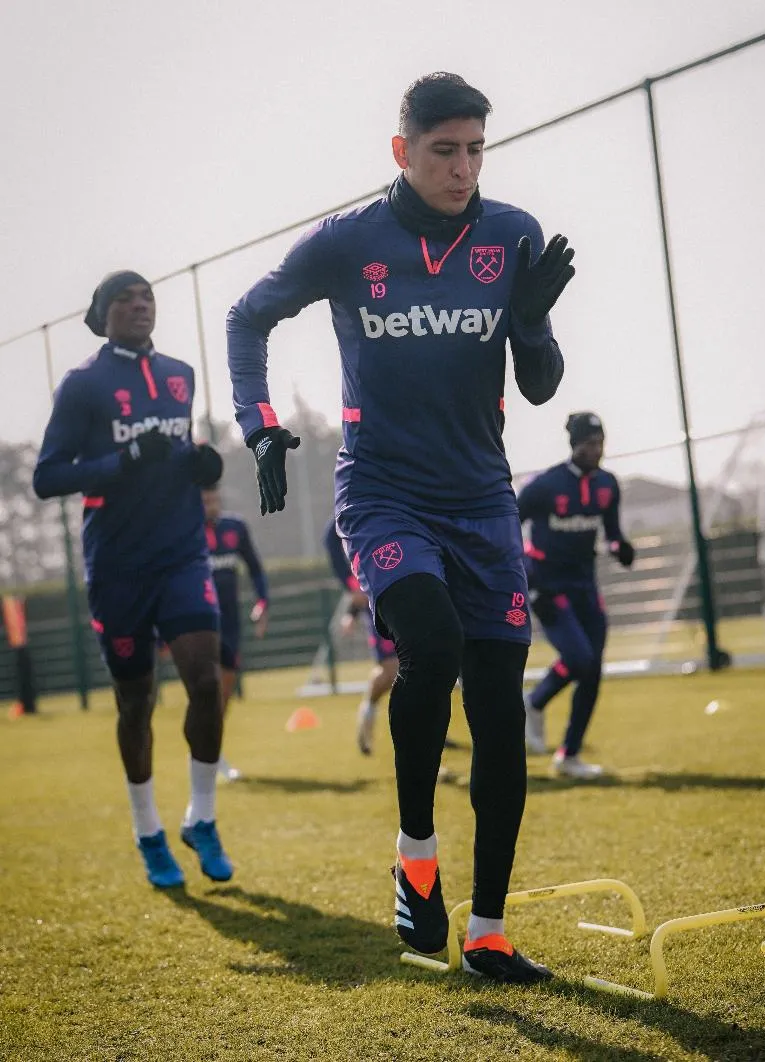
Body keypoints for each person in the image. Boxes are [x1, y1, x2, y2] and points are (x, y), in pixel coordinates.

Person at [227, 73, 574, 983]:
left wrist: (531, 323)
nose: (463, 169)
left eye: (475, 150)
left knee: (499, 712)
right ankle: (414, 854)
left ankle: (489, 931)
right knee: (429, 647)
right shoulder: (350, 242)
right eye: (443, 150)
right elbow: (247, 315)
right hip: (383, 495)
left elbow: (538, 383)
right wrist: (259, 424)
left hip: (484, 502)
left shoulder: (513, 235)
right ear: (403, 151)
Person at [33, 271, 233, 889]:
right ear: (103, 312)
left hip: (181, 555)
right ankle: (147, 830)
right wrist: (121, 461)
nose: (141, 305)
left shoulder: (180, 373)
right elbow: (47, 477)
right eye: (126, 298)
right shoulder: (83, 385)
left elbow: (181, 445)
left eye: (147, 295)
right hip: (118, 566)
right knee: (136, 701)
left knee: (206, 679)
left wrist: (200, 462)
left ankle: (201, 817)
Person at [517, 412, 635, 778]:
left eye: (600, 443)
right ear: (575, 445)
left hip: (586, 586)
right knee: (580, 657)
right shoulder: (545, 485)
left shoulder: (608, 485)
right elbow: (507, 528)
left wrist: (619, 545)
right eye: (589, 444)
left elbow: (612, 531)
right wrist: (529, 581)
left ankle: (568, 756)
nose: (596, 450)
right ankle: (533, 703)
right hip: (549, 587)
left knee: (592, 669)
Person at [202, 482, 270, 780]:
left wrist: (262, 602)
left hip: (230, 623)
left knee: (225, 689)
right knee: (206, 686)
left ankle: (211, 748)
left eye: (214, 498)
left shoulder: (235, 527)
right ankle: (207, 754)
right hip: (199, 623)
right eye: (205, 500)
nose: (211, 504)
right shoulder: (185, 530)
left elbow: (255, 568)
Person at [323, 517, 399, 755]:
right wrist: (350, 588)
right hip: (377, 601)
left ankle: (431, 733)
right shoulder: (353, 506)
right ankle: (368, 710)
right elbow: (332, 538)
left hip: (408, 591)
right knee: (391, 670)